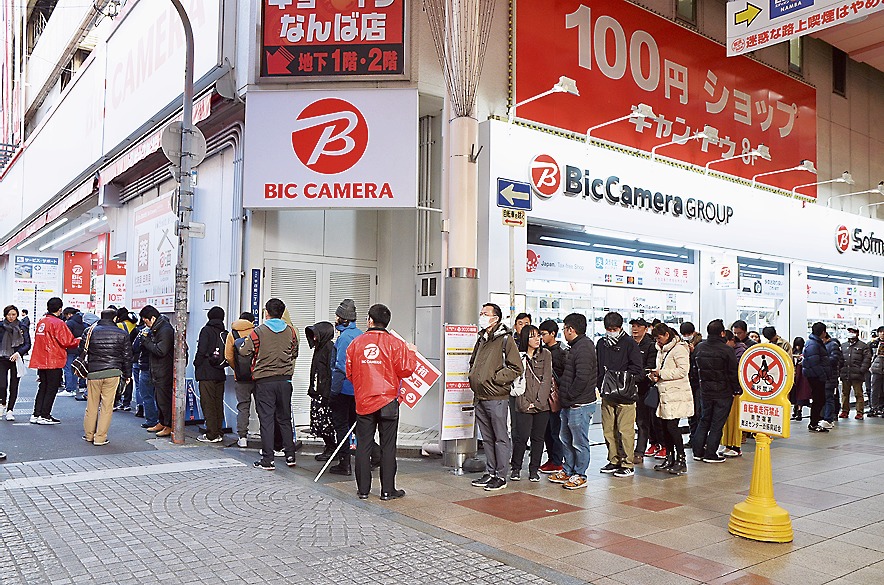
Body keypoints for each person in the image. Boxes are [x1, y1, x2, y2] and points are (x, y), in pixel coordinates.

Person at [346, 304, 417, 500]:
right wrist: (411, 352)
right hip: (388, 401)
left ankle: (363, 490)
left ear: (370, 320)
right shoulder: (396, 344)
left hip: (364, 401)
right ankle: (387, 490)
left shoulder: (356, 343)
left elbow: (349, 373)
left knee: (364, 446)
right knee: (388, 446)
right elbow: (406, 371)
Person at [238, 298, 299, 470]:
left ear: (266, 312)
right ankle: (290, 456)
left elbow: (244, 350)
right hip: (285, 380)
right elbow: (294, 352)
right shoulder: (291, 331)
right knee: (285, 419)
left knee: (267, 420)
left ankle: (268, 459)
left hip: (265, 381)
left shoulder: (259, 331)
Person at [469, 303, 522, 492]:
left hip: (496, 396)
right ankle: (490, 472)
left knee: (500, 437)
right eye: (481, 312)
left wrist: (495, 379)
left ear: (496, 318)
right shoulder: (482, 339)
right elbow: (473, 361)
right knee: (487, 438)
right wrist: (473, 376)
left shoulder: (506, 339)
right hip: (480, 396)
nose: (482, 316)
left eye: (485, 313)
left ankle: (501, 475)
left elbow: (516, 367)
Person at [547, 313, 597, 489]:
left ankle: (580, 474)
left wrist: (569, 395)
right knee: (565, 439)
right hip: (569, 403)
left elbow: (582, 379)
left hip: (580, 404)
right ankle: (568, 470)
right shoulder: (575, 346)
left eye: (564, 329)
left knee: (579, 441)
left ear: (571, 329)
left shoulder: (584, 348)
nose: (563, 332)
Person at [597, 312, 643, 478]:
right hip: (607, 393)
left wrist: (622, 380)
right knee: (609, 429)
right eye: (608, 329)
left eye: (614, 329)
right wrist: (600, 383)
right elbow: (597, 365)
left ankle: (627, 463)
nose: (611, 332)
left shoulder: (629, 343)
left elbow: (638, 369)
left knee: (625, 430)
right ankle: (614, 459)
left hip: (626, 394)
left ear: (620, 328)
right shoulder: (601, 343)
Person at [81, 309, 133, 446]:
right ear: (115, 318)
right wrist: (128, 375)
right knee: (106, 406)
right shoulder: (122, 334)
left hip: (93, 372)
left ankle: (89, 435)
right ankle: (100, 438)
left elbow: (82, 350)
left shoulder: (89, 331)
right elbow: (127, 357)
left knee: (91, 405)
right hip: (113, 373)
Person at [691, 320, 741, 462]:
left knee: (704, 420)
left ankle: (698, 452)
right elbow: (732, 372)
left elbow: (694, 370)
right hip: (723, 393)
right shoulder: (727, 350)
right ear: (722, 333)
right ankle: (711, 454)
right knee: (717, 423)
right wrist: (736, 389)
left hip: (705, 392)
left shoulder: (700, 347)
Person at [647, 323, 693, 475]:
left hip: (676, 394)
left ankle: (681, 459)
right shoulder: (660, 349)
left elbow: (683, 371)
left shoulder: (679, 348)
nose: (657, 341)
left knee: (672, 427)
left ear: (667, 335)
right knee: (664, 427)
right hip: (664, 393)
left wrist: (661, 373)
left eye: (659, 338)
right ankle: (670, 457)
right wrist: (653, 375)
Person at [509, 325, 553, 482]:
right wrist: (525, 403)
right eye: (533, 336)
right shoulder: (518, 356)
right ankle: (516, 468)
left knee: (538, 438)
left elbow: (546, 379)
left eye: (538, 335)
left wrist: (539, 402)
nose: (537, 339)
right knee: (521, 437)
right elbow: (515, 383)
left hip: (542, 406)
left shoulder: (546, 354)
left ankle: (534, 469)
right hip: (523, 403)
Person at [29, 298, 81, 424]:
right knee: (51, 388)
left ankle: (36, 414)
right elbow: (67, 341)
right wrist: (79, 340)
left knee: (43, 387)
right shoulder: (58, 323)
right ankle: (45, 415)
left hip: (41, 359)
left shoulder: (42, 321)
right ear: (60, 309)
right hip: (54, 359)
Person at [329, 299, 365, 476]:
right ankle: (374, 455)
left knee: (342, 425)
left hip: (344, 389)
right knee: (356, 426)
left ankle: (344, 463)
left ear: (343, 318)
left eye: (337, 316)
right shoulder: (360, 334)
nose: (335, 319)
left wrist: (333, 392)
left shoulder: (344, 338)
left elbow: (340, 367)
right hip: (358, 389)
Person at [139, 305, 175, 437]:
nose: (145, 324)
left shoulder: (165, 330)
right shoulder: (157, 328)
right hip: (157, 369)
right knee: (159, 398)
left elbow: (161, 350)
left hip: (164, 370)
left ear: (152, 318)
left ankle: (169, 425)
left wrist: (146, 341)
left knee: (164, 399)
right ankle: (162, 422)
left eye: (146, 320)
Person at [194, 307, 229, 443]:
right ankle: (219, 432)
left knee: (208, 403)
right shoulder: (224, 332)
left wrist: (197, 363)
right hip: (220, 371)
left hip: (206, 372)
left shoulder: (206, 330)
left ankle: (211, 434)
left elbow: (201, 350)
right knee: (217, 403)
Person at [538, 319, 566, 474]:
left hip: (555, 397)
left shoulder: (561, 353)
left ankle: (557, 460)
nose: (541, 337)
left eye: (543, 334)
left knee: (555, 430)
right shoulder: (541, 351)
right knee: (546, 431)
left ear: (553, 334)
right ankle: (552, 459)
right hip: (543, 396)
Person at [305, 321, 337, 461]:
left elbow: (330, 373)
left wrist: (326, 395)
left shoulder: (329, 348)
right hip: (318, 393)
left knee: (326, 423)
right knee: (319, 422)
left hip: (324, 394)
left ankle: (331, 448)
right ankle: (329, 447)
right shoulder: (319, 348)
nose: (314, 338)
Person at [631, 317, 661, 461]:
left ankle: (640, 451)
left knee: (643, 421)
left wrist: (635, 378)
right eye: (633, 326)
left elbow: (649, 367)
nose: (635, 329)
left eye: (638, 326)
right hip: (628, 388)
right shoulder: (629, 344)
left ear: (645, 328)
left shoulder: (650, 345)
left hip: (644, 388)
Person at [226, 312, 257, 447]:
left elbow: (228, 356)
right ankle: (266, 435)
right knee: (263, 407)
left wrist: (237, 369)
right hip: (257, 375)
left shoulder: (232, 334)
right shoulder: (257, 332)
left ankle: (242, 437)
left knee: (243, 406)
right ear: (252, 321)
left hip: (241, 378)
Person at [720, 331, 748, 457]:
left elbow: (737, 370)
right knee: (728, 420)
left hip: (737, 390)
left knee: (735, 419)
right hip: (728, 389)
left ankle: (736, 447)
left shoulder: (740, 351)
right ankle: (728, 445)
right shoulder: (730, 351)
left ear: (732, 340)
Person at [0, 305, 31, 421]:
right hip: (2, 358)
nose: (11, 317)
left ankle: (10, 410)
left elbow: (27, 344)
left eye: (13, 314)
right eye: (9, 314)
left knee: (14, 385)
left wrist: (19, 353)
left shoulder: (22, 327)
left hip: (16, 358)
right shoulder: (1, 326)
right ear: (5, 315)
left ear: (17, 314)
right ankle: (3, 402)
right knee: (2, 385)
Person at [803, 322, 832, 433]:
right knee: (818, 399)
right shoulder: (813, 344)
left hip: (816, 376)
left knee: (820, 399)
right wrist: (823, 375)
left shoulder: (815, 342)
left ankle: (815, 420)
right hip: (816, 377)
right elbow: (814, 362)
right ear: (823, 332)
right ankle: (813, 423)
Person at [132, 319, 158, 431]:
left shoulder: (144, 332)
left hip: (146, 367)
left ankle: (151, 420)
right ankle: (160, 421)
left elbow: (135, 347)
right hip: (160, 369)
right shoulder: (167, 333)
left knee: (146, 394)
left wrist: (142, 337)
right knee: (159, 396)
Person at [840, 326, 871, 420]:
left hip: (857, 374)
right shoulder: (843, 345)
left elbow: (867, 359)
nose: (851, 333)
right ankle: (844, 411)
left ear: (857, 333)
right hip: (845, 373)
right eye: (849, 331)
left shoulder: (863, 346)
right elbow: (840, 359)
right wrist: (840, 370)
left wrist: (862, 370)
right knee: (845, 393)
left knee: (858, 394)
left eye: (853, 331)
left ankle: (859, 412)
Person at [680, 322, 702, 448]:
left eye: (688, 334)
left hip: (698, 384)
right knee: (691, 413)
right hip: (688, 383)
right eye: (684, 334)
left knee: (698, 413)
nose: (686, 336)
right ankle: (692, 438)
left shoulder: (700, 344)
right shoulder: (682, 345)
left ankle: (698, 440)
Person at [114, 307, 138, 411]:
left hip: (119, 356)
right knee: (128, 378)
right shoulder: (134, 326)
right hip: (131, 356)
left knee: (117, 379)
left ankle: (115, 401)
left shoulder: (118, 326)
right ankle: (126, 403)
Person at [60, 307, 86, 398]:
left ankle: (69, 389)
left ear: (69, 314)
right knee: (75, 369)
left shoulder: (69, 323)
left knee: (67, 369)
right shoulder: (82, 323)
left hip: (70, 348)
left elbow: (65, 337)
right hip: (78, 349)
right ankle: (73, 388)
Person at [820, 331, 843, 429]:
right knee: (826, 398)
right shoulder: (824, 345)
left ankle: (828, 419)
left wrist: (822, 360)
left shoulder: (833, 345)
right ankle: (826, 417)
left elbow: (835, 360)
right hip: (825, 376)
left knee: (829, 398)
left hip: (831, 377)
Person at [790, 337, 812, 421]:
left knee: (800, 395)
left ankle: (799, 411)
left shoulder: (804, 353)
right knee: (795, 394)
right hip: (796, 376)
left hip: (801, 377)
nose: (797, 347)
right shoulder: (792, 352)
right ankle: (796, 410)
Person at [869, 327, 884, 417]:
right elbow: (868, 356)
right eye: (881, 332)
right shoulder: (873, 343)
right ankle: (874, 408)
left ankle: (882, 407)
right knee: (874, 389)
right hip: (876, 369)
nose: (882, 333)